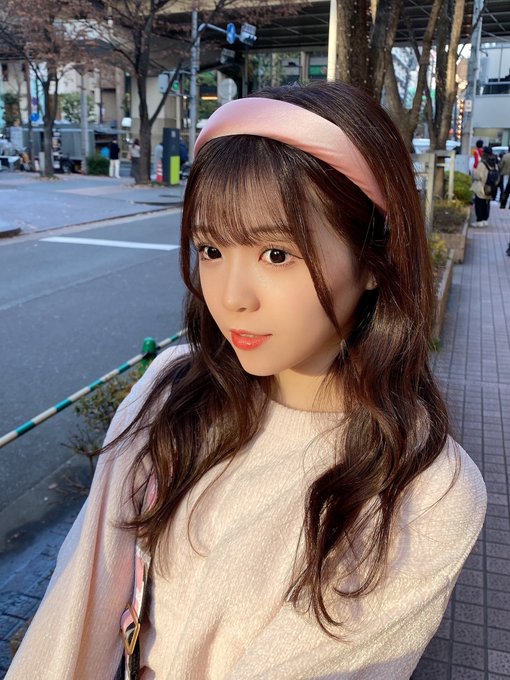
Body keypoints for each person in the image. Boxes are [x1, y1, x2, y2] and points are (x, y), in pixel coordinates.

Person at [6, 82, 486, 680]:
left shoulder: (426, 491)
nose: (231, 298)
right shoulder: (172, 392)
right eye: (210, 249)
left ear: (372, 260)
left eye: (276, 254)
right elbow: (72, 616)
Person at [471, 146, 492, 226]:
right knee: (486, 204)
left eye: (483, 152)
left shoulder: (482, 163)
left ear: (485, 153)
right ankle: (485, 220)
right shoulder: (494, 162)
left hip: (481, 186)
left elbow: (477, 175)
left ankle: (479, 221)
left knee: (479, 204)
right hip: (490, 187)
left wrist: (473, 171)